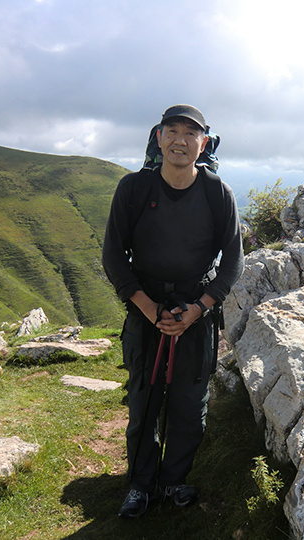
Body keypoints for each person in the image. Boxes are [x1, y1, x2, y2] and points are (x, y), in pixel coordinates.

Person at [102, 104, 244, 518]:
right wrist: (147, 308)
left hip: (195, 314)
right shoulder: (133, 190)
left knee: (189, 403)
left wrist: (198, 309)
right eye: (173, 131)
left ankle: (174, 481)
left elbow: (234, 261)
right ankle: (141, 486)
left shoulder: (218, 193)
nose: (181, 140)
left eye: (191, 134)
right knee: (144, 400)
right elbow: (113, 256)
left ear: (203, 144)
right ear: (159, 137)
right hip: (145, 310)